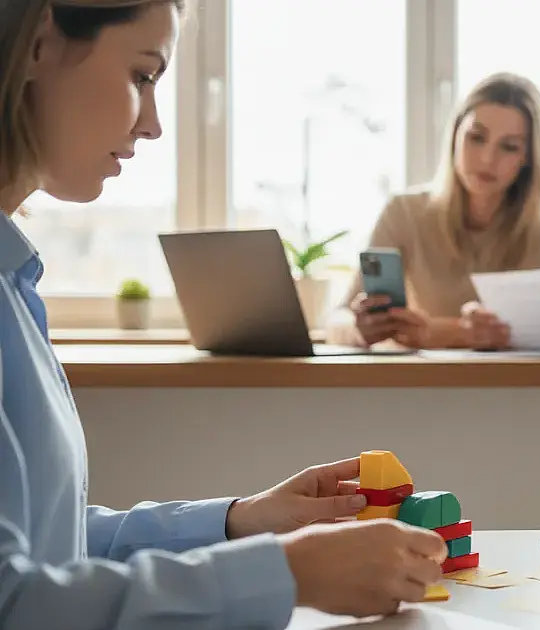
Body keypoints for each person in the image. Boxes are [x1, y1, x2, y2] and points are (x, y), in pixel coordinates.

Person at [0, 2, 447, 628]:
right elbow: (13, 600)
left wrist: (241, 522)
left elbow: (53, 549)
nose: (153, 124)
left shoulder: (14, 281)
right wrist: (287, 574)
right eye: (141, 75)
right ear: (39, 43)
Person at [326, 72, 540, 351]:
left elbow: (527, 330)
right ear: (454, 137)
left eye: (509, 147)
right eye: (476, 137)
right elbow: (338, 319)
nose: (488, 159)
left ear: (528, 159)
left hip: (500, 378)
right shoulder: (404, 212)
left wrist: (436, 333)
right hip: (416, 375)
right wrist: (359, 328)